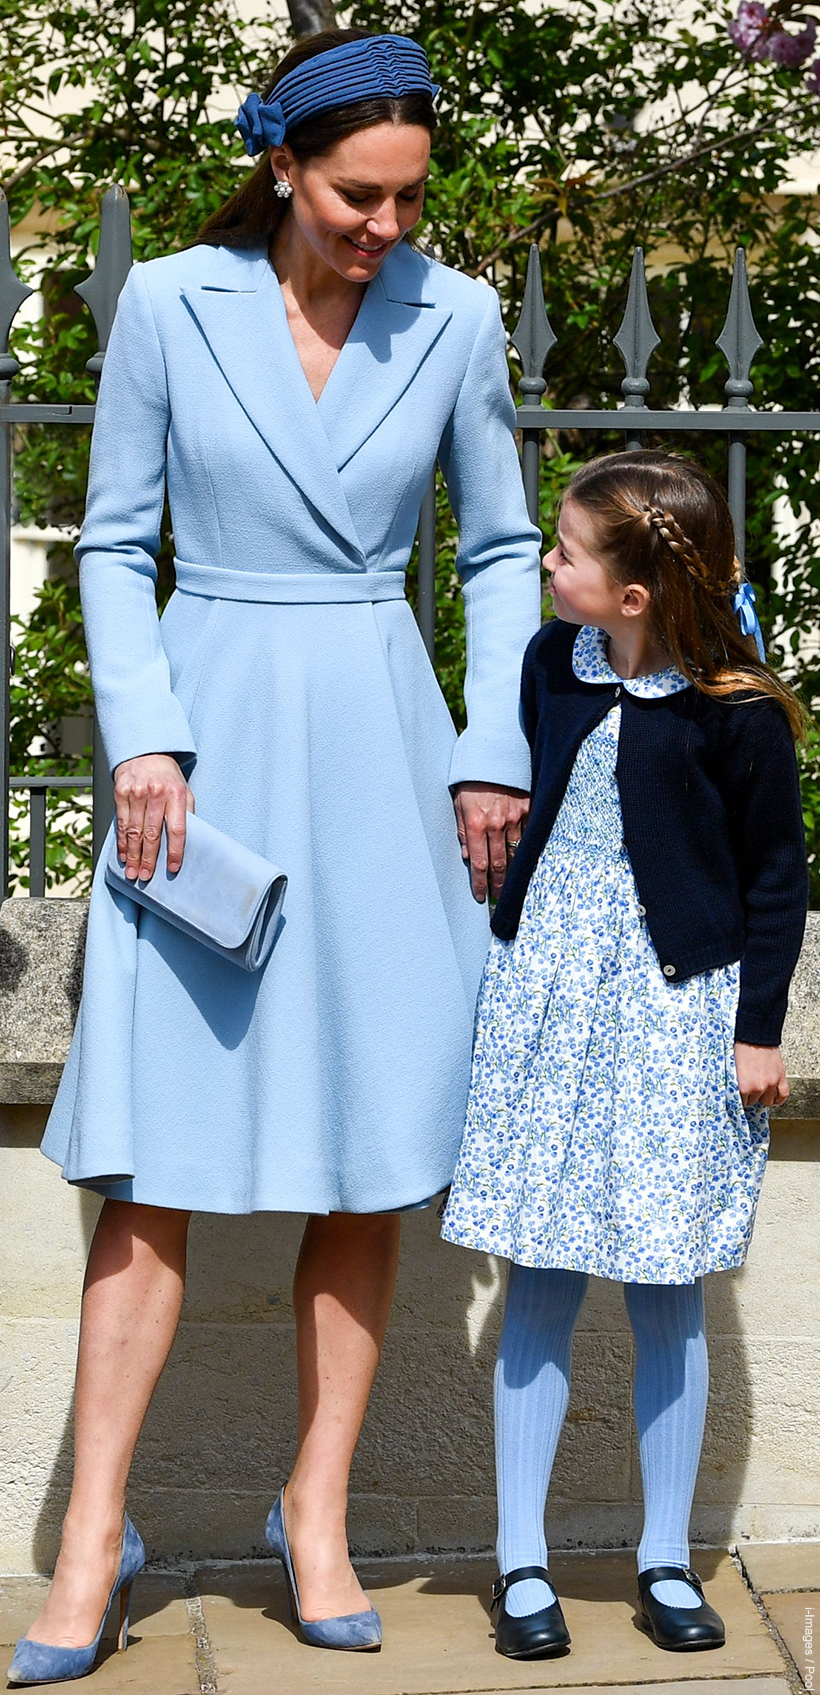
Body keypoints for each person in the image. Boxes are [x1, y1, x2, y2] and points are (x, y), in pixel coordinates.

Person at [9, 28, 541, 1686]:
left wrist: (486, 757)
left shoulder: (453, 319)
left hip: (382, 749)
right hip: (207, 754)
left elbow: (510, 548)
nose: (387, 226)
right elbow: (113, 540)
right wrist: (143, 732)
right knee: (159, 1164)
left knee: (371, 1151)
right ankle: (95, 1537)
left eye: (408, 198)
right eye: (356, 195)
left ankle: (317, 1513)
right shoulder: (171, 302)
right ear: (287, 168)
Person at [441, 450, 808, 1659]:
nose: (547, 562)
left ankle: (663, 1560)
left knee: (666, 1290)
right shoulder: (556, 664)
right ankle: (524, 1564)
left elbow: (775, 884)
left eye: (566, 550)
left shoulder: (738, 715)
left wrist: (757, 1032)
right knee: (538, 1279)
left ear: (636, 592)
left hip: (676, 1009)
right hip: (550, 996)